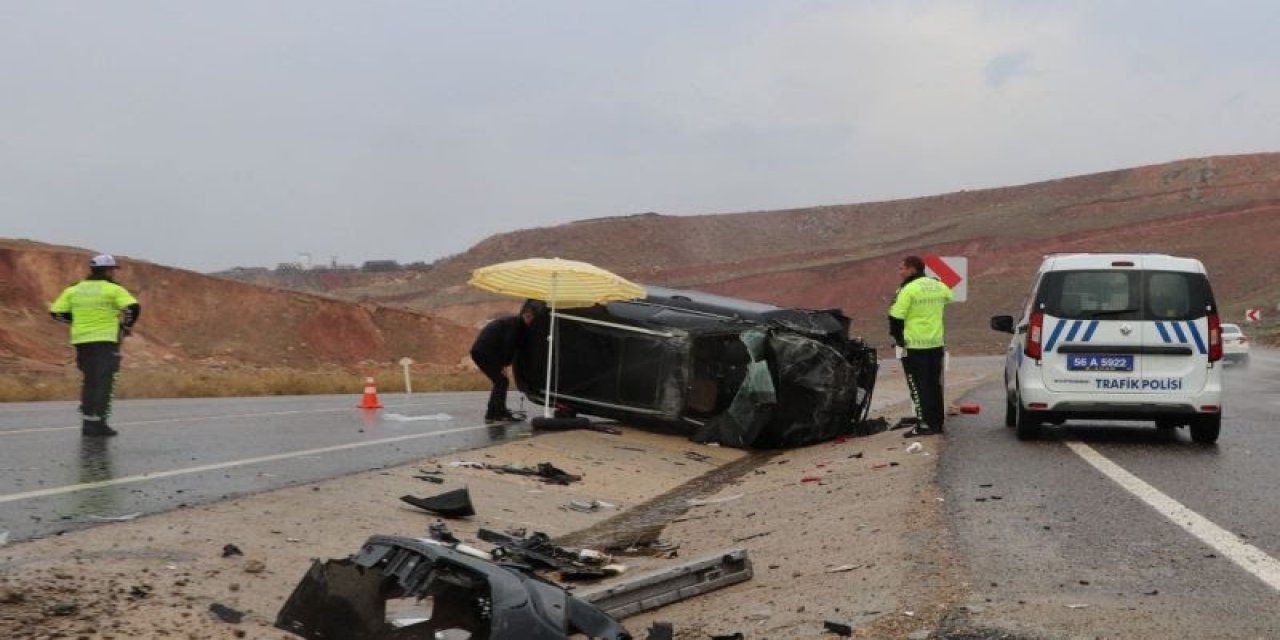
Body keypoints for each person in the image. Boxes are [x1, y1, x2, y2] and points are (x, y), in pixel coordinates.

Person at [49, 254, 141, 437]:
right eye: (113, 270)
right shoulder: (113, 289)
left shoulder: (74, 289)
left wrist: (77, 320)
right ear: (108, 271)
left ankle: (88, 422)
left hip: (82, 341)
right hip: (106, 340)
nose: (114, 273)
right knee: (104, 381)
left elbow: (56, 312)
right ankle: (99, 423)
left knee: (90, 380)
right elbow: (133, 307)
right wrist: (127, 326)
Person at [888, 256, 953, 437]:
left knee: (918, 386)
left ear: (912, 269)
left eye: (902, 268)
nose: (900, 272)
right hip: (935, 343)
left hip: (914, 345)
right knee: (934, 385)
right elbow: (950, 296)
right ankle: (936, 423)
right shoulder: (937, 285)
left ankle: (923, 424)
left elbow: (895, 316)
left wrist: (898, 339)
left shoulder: (907, 289)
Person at [470, 301, 538, 423]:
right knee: (501, 381)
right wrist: (504, 363)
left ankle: (492, 413)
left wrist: (503, 363)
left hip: (484, 351)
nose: (532, 323)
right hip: (484, 352)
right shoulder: (516, 324)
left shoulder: (516, 323)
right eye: (532, 319)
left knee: (500, 381)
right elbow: (508, 345)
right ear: (527, 315)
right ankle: (500, 413)